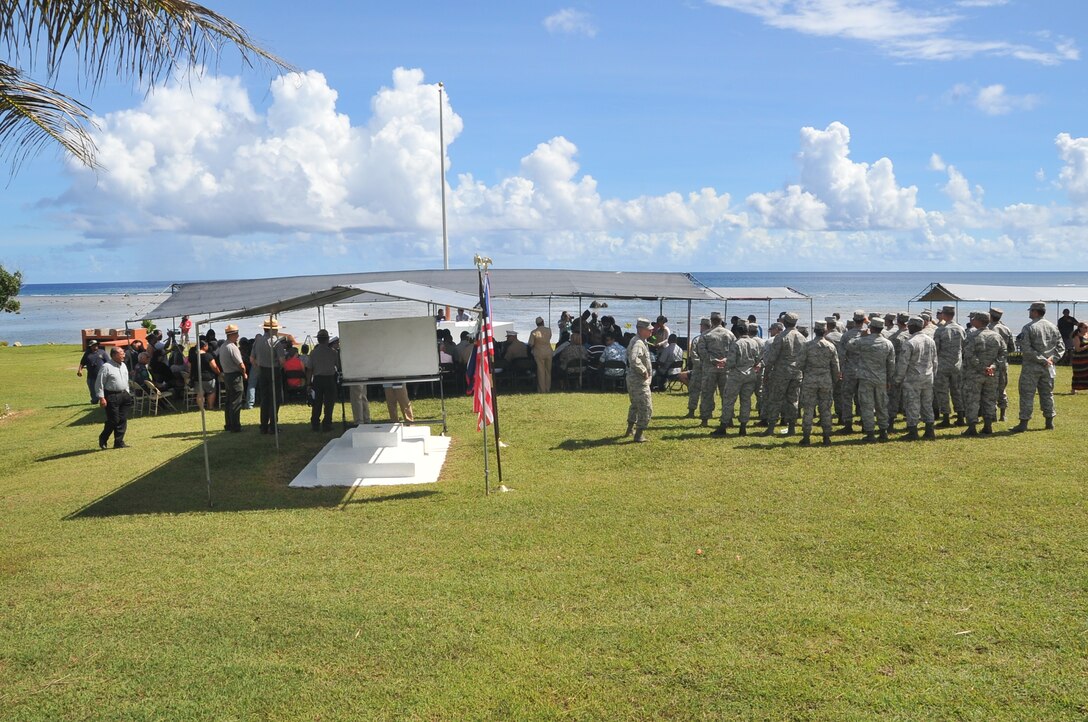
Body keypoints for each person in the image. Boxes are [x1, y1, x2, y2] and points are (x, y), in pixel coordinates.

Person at [1012, 302, 1065, 432]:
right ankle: (1049, 421)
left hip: (1032, 367)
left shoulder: (1029, 327)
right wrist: (1052, 359)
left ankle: (1023, 423)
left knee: (1027, 394)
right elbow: (1061, 347)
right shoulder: (1053, 327)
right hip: (1048, 367)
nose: (1029, 313)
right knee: (1047, 394)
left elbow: (1026, 349)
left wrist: (1042, 360)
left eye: (1031, 311)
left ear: (1035, 312)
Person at [848, 316, 896, 443]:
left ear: (871, 328)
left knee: (867, 406)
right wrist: (889, 380)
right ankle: (883, 431)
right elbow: (891, 364)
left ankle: (870, 433)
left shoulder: (863, 341)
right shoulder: (888, 343)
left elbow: (849, 346)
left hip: (865, 378)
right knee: (882, 405)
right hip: (881, 379)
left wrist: (860, 336)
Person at [760, 311, 805, 437]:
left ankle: (771, 428)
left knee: (775, 399)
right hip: (796, 372)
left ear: (784, 322)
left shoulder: (781, 337)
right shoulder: (802, 337)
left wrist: (767, 373)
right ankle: (791, 427)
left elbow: (772, 357)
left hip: (781, 372)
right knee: (793, 400)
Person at [960, 311, 1005, 436]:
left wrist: (982, 367)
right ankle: (988, 425)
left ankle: (972, 427)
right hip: (991, 375)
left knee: (972, 400)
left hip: (974, 374)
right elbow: (1003, 354)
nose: (972, 321)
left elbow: (969, 355)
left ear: (978, 321)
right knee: (989, 399)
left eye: (974, 319)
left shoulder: (972, 336)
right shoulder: (996, 336)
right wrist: (993, 367)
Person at [714, 322, 763, 437]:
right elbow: (758, 360)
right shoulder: (754, 343)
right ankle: (743, 427)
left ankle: (724, 426)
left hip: (736, 374)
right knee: (746, 401)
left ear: (737, 332)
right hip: (750, 374)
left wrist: (724, 365)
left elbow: (731, 362)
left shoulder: (736, 344)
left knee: (729, 400)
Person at [796, 320, 840, 446]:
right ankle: (826, 437)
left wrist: (808, 371)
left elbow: (799, 364)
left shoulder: (807, 346)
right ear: (825, 331)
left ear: (814, 331)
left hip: (810, 380)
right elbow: (836, 368)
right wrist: (833, 380)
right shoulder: (831, 346)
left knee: (808, 409)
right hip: (825, 380)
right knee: (826, 409)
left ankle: (806, 437)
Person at [895, 316, 938, 440]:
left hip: (913, 379)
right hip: (928, 377)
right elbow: (935, 361)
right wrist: (933, 375)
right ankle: (930, 430)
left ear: (912, 326)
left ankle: (913, 431)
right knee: (927, 404)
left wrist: (898, 379)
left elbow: (903, 364)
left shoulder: (909, 342)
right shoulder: (930, 341)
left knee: (912, 404)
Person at [697, 312, 735, 429]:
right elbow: (734, 351)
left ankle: (705, 419)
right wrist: (725, 360)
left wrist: (713, 360)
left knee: (707, 394)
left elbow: (701, 351)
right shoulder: (730, 334)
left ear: (711, 321)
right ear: (721, 320)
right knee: (727, 395)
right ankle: (729, 419)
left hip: (710, 369)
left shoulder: (705, 334)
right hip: (726, 368)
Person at [250, 318, 285, 434]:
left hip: (262, 371)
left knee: (265, 399)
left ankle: (263, 426)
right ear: (273, 330)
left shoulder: (258, 341)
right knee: (275, 399)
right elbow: (282, 361)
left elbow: (252, 359)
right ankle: (273, 426)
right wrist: (278, 368)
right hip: (273, 371)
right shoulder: (276, 342)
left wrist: (258, 368)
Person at [94, 345, 133, 449]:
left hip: (124, 395)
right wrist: (101, 398)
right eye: (122, 353)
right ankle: (103, 438)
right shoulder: (106, 367)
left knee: (122, 419)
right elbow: (99, 383)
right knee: (114, 420)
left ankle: (119, 442)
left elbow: (126, 379)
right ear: (115, 355)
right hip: (111, 395)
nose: (124, 355)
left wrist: (127, 392)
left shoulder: (123, 365)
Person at [933, 305, 966, 427]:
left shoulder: (940, 330)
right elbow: (964, 346)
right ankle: (961, 416)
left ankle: (946, 417)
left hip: (943, 365)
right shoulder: (960, 329)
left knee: (943, 392)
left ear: (944, 315)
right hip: (957, 365)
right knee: (957, 391)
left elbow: (936, 348)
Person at [624, 318, 654, 442]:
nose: (651, 332)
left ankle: (630, 429)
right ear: (641, 330)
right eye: (649, 330)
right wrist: (643, 370)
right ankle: (639, 434)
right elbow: (634, 358)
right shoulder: (638, 343)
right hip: (638, 381)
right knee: (646, 407)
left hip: (633, 380)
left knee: (635, 405)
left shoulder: (639, 341)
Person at [307, 329, 339, 431]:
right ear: (327, 340)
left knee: (317, 402)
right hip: (329, 379)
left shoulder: (313, 353)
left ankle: (315, 423)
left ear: (318, 340)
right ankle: (327, 424)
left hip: (318, 379)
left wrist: (308, 383)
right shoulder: (333, 353)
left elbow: (310, 369)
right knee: (329, 403)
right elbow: (338, 365)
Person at [217, 324, 246, 432]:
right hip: (234, 376)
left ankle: (228, 424)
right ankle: (235, 426)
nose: (238, 335)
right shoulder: (232, 347)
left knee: (229, 401)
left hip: (227, 375)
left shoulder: (223, 346)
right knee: (236, 402)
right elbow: (241, 364)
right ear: (233, 334)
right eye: (237, 333)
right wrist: (244, 373)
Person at [988, 307, 1016, 420]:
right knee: (1002, 388)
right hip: (1003, 363)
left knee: (990, 389)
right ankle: (1003, 414)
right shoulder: (1006, 329)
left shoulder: (988, 328)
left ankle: (993, 414)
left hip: (990, 363)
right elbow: (1012, 348)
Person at [685, 318, 710, 418]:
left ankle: (693, 411)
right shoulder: (712, 338)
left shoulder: (698, 339)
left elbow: (693, 354)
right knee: (705, 392)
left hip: (701, 369)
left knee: (696, 391)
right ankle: (704, 412)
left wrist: (699, 364)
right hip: (708, 369)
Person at [190, 337, 221, 410]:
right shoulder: (208, 356)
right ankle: (210, 406)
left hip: (197, 377)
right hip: (208, 377)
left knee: (200, 393)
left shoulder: (193, 356)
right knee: (211, 392)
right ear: (204, 346)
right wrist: (218, 372)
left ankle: (201, 408)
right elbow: (214, 366)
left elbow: (190, 367)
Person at [77, 339, 110, 404]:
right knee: (92, 388)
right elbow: (82, 363)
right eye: (93, 345)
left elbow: (108, 362)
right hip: (91, 375)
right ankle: (94, 400)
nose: (95, 346)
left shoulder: (102, 352)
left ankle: (105, 399)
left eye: (96, 345)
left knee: (103, 388)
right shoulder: (87, 353)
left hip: (101, 375)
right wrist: (80, 370)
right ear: (90, 346)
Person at [528, 316, 553, 392]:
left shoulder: (533, 332)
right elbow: (549, 338)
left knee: (540, 371)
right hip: (548, 352)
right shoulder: (549, 330)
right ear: (543, 322)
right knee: (548, 371)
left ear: (536, 324)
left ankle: (542, 389)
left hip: (538, 352)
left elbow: (531, 344)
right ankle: (547, 388)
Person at [1071, 321, 1088, 394]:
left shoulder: (1087, 335)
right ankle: (1074, 389)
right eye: (1085, 327)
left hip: (1087, 358)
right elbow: (1077, 349)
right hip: (1079, 359)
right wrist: (1086, 346)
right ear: (1080, 328)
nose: (1087, 329)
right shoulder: (1076, 337)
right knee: (1078, 374)